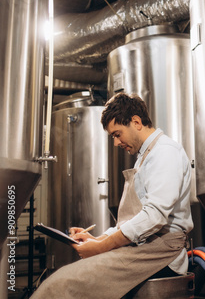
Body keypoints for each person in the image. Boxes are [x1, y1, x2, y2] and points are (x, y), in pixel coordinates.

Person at [32, 93, 193, 298]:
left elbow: (154, 217)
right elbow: (135, 220)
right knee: (63, 280)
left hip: (160, 254)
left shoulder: (165, 152)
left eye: (117, 134)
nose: (116, 143)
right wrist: (99, 239)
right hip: (144, 247)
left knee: (62, 284)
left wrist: (100, 247)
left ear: (136, 122)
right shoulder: (146, 156)